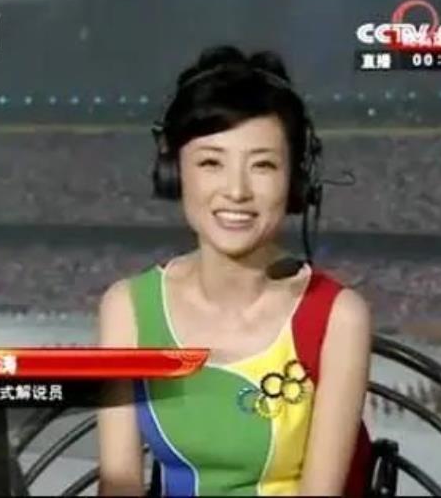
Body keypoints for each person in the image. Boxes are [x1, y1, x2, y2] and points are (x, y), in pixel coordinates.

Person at [97, 45, 372, 496]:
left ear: (296, 179)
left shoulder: (338, 317)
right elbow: (119, 485)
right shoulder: (126, 308)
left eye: (263, 165)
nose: (237, 191)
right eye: (211, 162)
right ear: (173, 170)